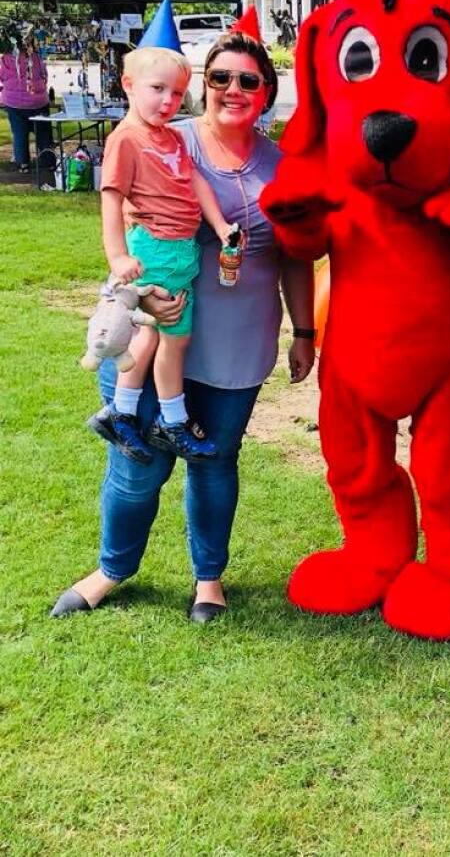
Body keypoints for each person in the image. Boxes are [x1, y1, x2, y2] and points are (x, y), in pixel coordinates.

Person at [51, 31, 315, 622]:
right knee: (137, 460)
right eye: (221, 77)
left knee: (215, 460)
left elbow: (294, 255)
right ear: (205, 85)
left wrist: (304, 330)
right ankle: (111, 570)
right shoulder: (166, 137)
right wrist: (143, 297)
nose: (233, 90)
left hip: (239, 343)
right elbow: (124, 222)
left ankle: (209, 581)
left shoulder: (282, 166)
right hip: (156, 327)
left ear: (267, 92)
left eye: (249, 80)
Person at [87, 45, 236, 463]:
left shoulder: (171, 137)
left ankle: (127, 414)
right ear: (129, 86)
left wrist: (221, 226)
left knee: (163, 335)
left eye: (177, 93)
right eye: (157, 89)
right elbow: (111, 200)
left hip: (181, 252)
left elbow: (196, 184)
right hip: (152, 248)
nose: (168, 101)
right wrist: (117, 258)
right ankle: (163, 420)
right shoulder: (126, 139)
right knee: (163, 335)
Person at [0, 31, 53, 173]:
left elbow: (2, 76)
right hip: (38, 101)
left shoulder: (5, 59)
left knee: (19, 133)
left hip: (14, 103)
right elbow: (44, 75)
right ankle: (48, 161)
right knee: (43, 133)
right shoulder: (35, 57)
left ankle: (23, 163)